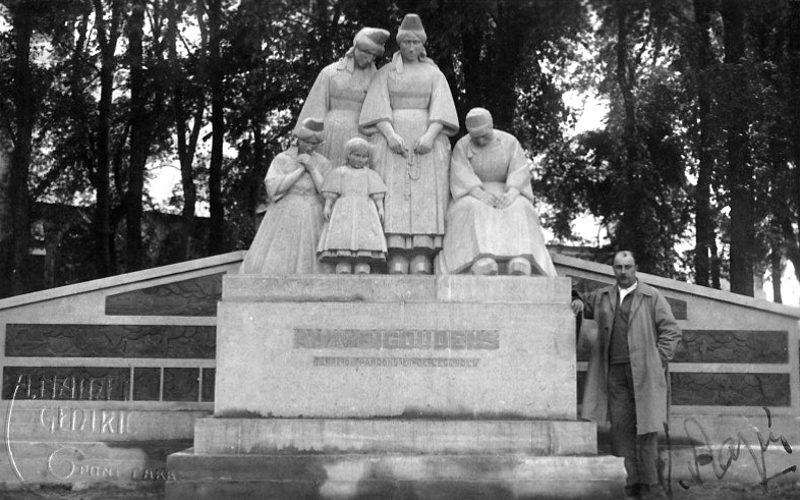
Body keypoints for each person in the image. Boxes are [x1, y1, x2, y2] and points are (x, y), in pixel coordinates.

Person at [571, 251, 681, 500]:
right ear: (613, 269)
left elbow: (671, 331)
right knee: (620, 428)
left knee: (646, 427)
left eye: (628, 267)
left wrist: (657, 359)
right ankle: (629, 483)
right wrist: (577, 300)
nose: (623, 272)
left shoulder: (652, 296)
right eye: (618, 267)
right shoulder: (603, 296)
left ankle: (650, 485)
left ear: (635, 268)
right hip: (615, 373)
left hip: (644, 374)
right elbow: (579, 297)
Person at [359, 13, 459, 275]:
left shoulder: (434, 74)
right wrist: (390, 135)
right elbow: (377, 107)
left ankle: (422, 254)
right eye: (406, 43)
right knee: (395, 196)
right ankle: (397, 255)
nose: (411, 48)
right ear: (400, 44)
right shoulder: (386, 73)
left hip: (427, 140)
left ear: (422, 44)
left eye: (415, 43)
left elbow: (443, 108)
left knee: (425, 197)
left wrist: (430, 134)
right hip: (393, 140)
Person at [436, 107, 557, 276]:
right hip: (473, 193)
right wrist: (479, 193)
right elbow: (460, 174)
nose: (480, 141)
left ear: (491, 126)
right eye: (475, 137)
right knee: (471, 208)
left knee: (520, 207)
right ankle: (481, 259)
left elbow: (519, 170)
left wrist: (512, 193)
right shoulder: (463, 146)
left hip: (507, 191)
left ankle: (520, 259)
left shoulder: (510, 142)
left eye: (484, 135)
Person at [240, 118, 332, 274]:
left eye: (314, 144)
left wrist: (312, 168)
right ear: (299, 139)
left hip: (312, 211)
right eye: (306, 142)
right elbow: (274, 188)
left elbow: (327, 193)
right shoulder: (282, 159)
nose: (309, 147)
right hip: (285, 209)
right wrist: (301, 170)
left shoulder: (323, 163)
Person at [295, 27, 390, 168]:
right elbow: (315, 107)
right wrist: (302, 139)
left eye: (374, 56)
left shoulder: (377, 78)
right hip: (331, 133)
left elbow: (381, 112)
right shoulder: (330, 73)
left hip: (362, 135)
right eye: (367, 53)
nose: (370, 59)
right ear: (356, 47)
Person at [317, 137, 387, 274]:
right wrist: (328, 205)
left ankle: (363, 263)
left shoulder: (370, 174)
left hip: (365, 210)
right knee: (343, 235)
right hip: (343, 210)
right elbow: (332, 191)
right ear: (348, 155)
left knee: (365, 237)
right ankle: (343, 263)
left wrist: (380, 208)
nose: (361, 159)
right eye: (357, 155)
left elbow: (376, 192)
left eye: (364, 156)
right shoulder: (339, 172)